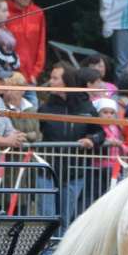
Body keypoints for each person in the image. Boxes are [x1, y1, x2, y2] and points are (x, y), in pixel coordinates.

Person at [39, 65, 104, 226]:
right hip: (47, 172)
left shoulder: (86, 108)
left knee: (64, 220)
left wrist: (91, 140)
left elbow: (100, 133)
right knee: (46, 220)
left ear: (67, 82)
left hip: (74, 174)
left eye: (55, 78)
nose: (50, 82)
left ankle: (59, 252)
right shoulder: (44, 108)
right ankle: (44, 252)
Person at [3, 0, 46, 84]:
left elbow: (41, 45)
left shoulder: (38, 13)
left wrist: (35, 72)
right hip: (9, 76)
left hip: (30, 78)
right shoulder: (3, 12)